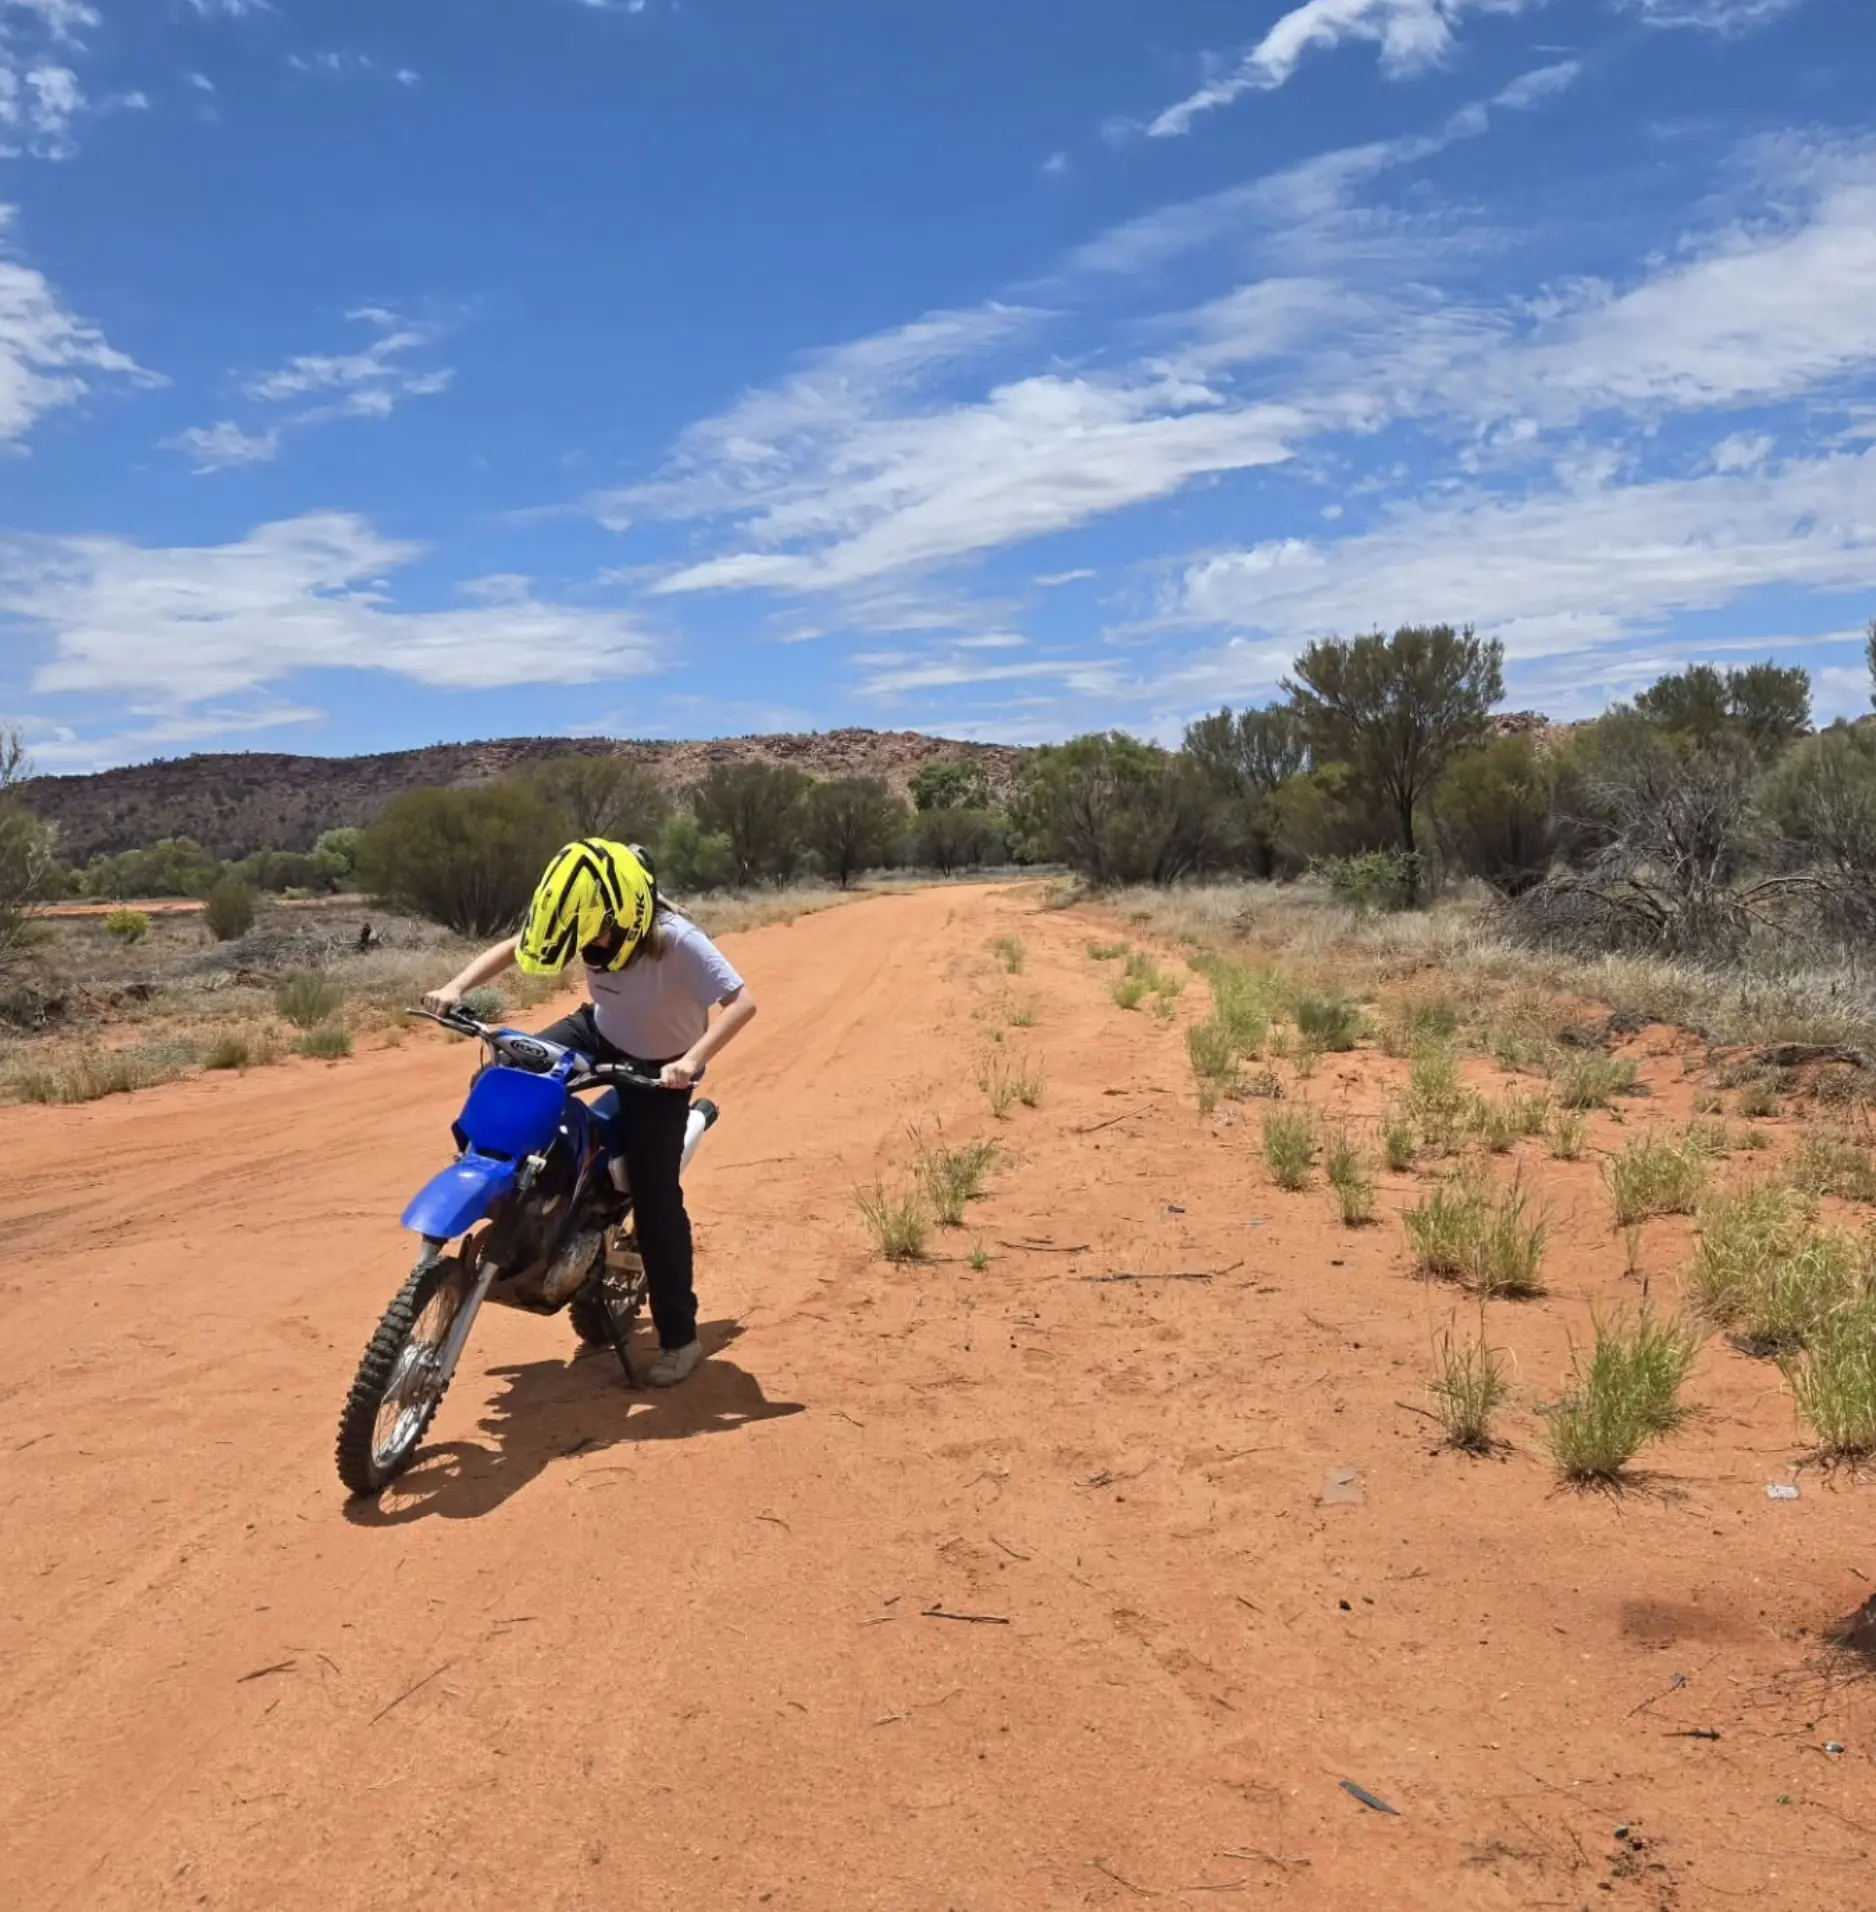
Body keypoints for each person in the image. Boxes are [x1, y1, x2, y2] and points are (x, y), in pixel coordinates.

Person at [423, 838, 756, 1387]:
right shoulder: (586, 916)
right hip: (598, 1033)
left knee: (657, 1202)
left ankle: (680, 1338)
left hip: (660, 1067)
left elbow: (742, 1002)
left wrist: (691, 1061)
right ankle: (515, 1199)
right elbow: (516, 945)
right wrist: (456, 986)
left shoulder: (678, 941)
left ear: (631, 916)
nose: (591, 944)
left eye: (599, 934)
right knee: (505, 1076)